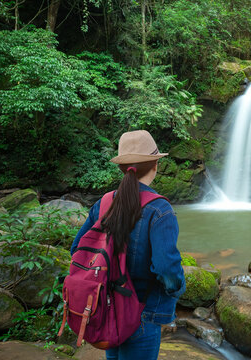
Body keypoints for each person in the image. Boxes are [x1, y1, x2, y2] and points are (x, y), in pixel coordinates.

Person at [70, 130, 186, 360]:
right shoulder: (160, 209)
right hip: (144, 311)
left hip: (107, 306)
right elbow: (166, 268)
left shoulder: (104, 203)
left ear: (122, 168)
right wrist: (178, 289)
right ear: (155, 164)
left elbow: (77, 251)